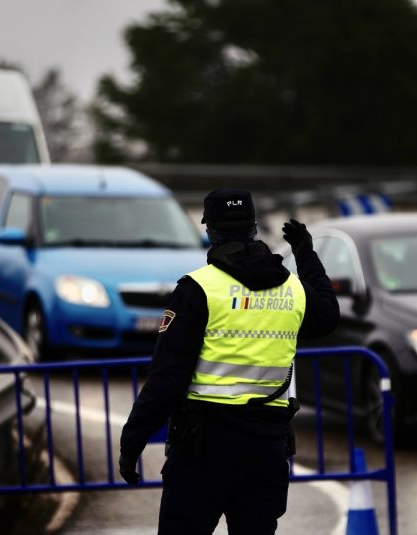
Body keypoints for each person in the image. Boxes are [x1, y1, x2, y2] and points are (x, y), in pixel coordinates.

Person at [118, 188, 339, 535]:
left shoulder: (198, 289)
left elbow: (167, 378)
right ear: (254, 227)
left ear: (210, 231)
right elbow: (327, 314)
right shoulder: (293, 289)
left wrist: (132, 442)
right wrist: (305, 253)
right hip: (266, 448)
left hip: (203, 451)